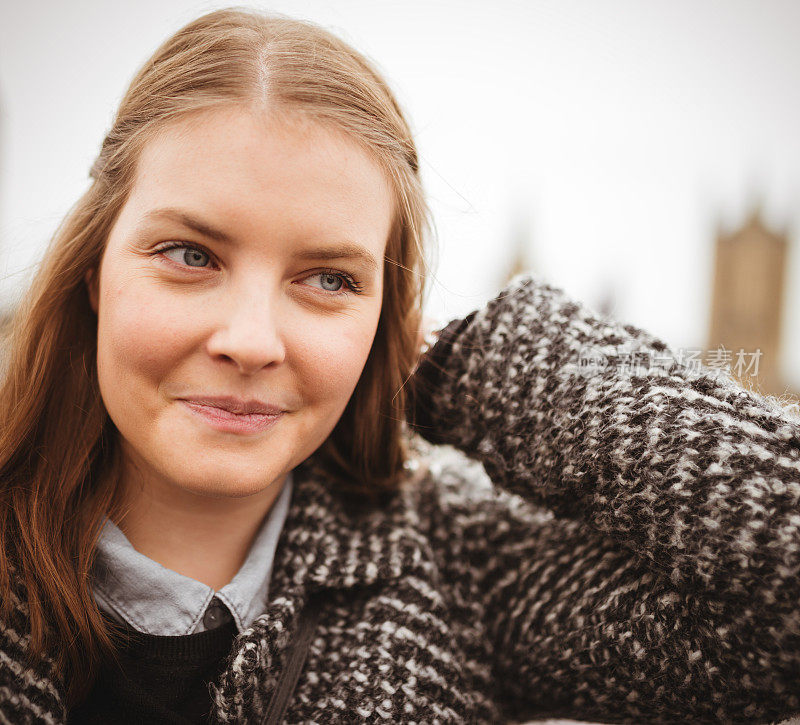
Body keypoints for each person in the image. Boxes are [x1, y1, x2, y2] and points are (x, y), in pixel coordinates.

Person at [1, 7, 799, 724]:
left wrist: (470, 363)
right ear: (93, 270)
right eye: (189, 254)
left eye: (329, 278)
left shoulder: (458, 575)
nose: (250, 340)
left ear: (388, 314)